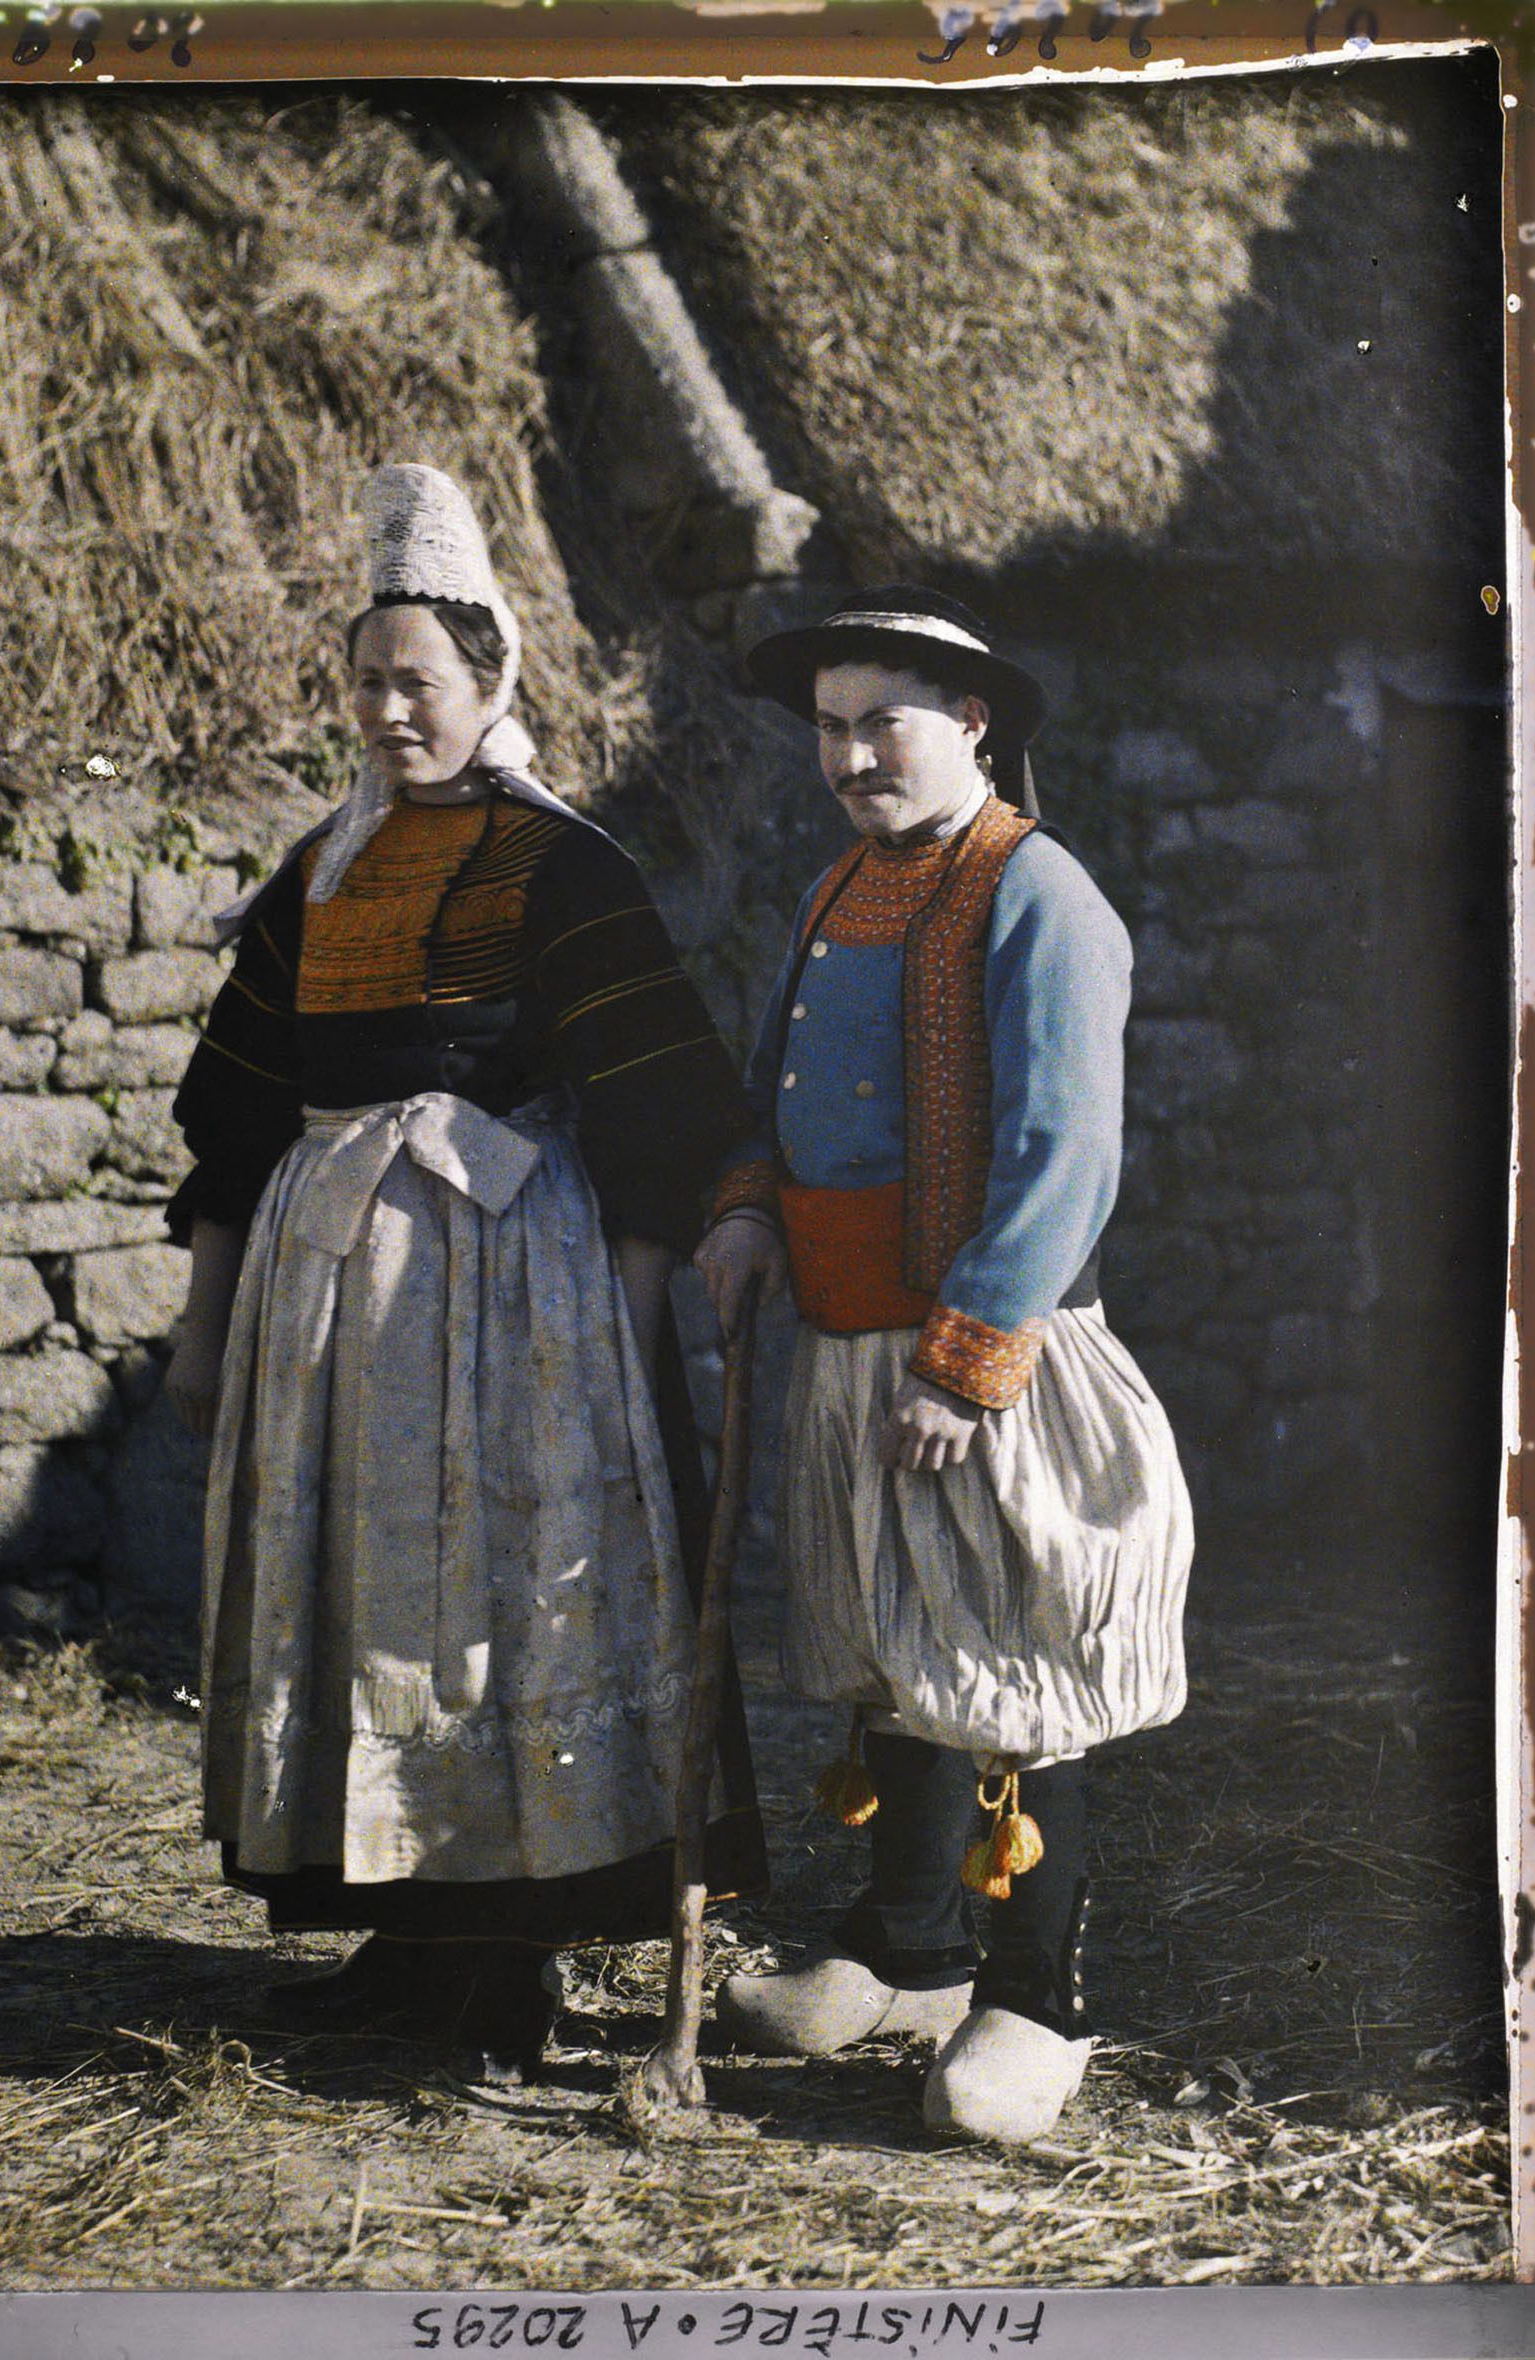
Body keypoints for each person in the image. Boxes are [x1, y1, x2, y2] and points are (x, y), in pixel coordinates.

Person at [166, 464, 766, 2073]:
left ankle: (500, 1964)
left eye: (414, 681)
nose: (384, 710)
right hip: (331, 1296)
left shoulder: (559, 867)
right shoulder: (322, 874)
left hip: (513, 1296)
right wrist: (205, 1327)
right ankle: (404, 1935)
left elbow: (656, 1099)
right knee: (358, 1600)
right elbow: (232, 1115)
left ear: (491, 683)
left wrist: (632, 1344)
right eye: (363, 681)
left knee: (484, 1615)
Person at [694, 586, 1193, 2144]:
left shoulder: (1038, 894)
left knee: (1014, 1671)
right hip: (850, 1341)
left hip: (990, 1356)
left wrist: (967, 1356)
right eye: (829, 726)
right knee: (894, 1654)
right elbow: (787, 1092)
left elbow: (1066, 1149)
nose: (848, 754)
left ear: (970, 723)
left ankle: (1034, 2005)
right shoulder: (839, 883)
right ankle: (904, 1951)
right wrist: (746, 1214)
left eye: (880, 721)